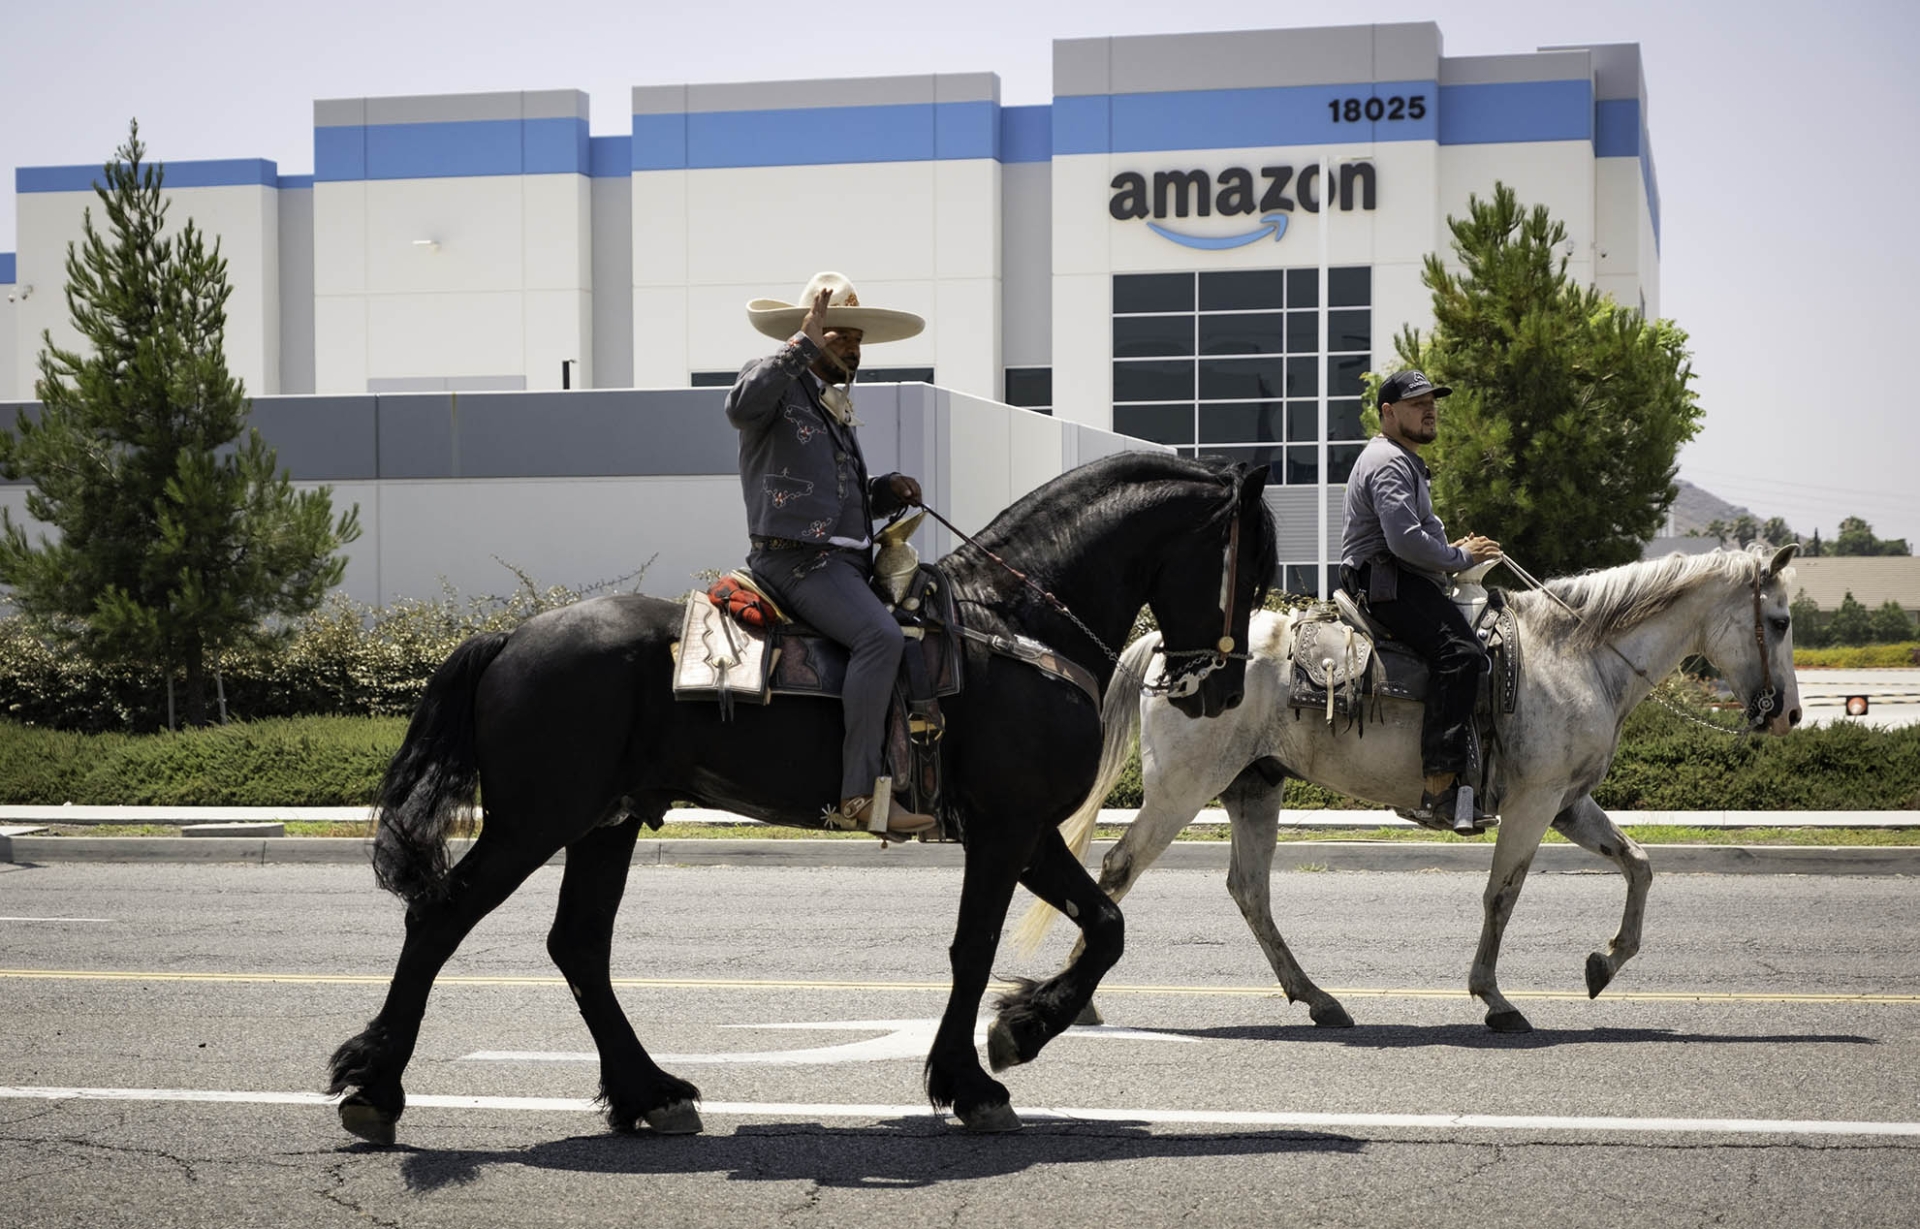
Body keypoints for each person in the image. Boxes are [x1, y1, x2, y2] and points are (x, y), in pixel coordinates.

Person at [723, 272, 937, 838]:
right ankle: (859, 798)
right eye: (841, 335)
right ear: (813, 335)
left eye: (856, 338)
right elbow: (740, 407)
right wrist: (802, 341)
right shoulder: (773, 383)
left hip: (845, 564)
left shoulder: (831, 406)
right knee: (879, 638)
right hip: (796, 562)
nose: (853, 347)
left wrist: (884, 490)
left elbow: (832, 499)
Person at [1340, 369, 1502, 831]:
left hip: (1397, 578)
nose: (1429, 410)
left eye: (1432, 401)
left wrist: (1453, 552)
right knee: (1463, 655)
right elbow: (1404, 541)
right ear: (1388, 413)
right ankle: (1439, 791)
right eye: (1416, 404)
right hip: (1387, 583)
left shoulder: (1399, 458)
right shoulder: (1389, 461)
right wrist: (1458, 556)